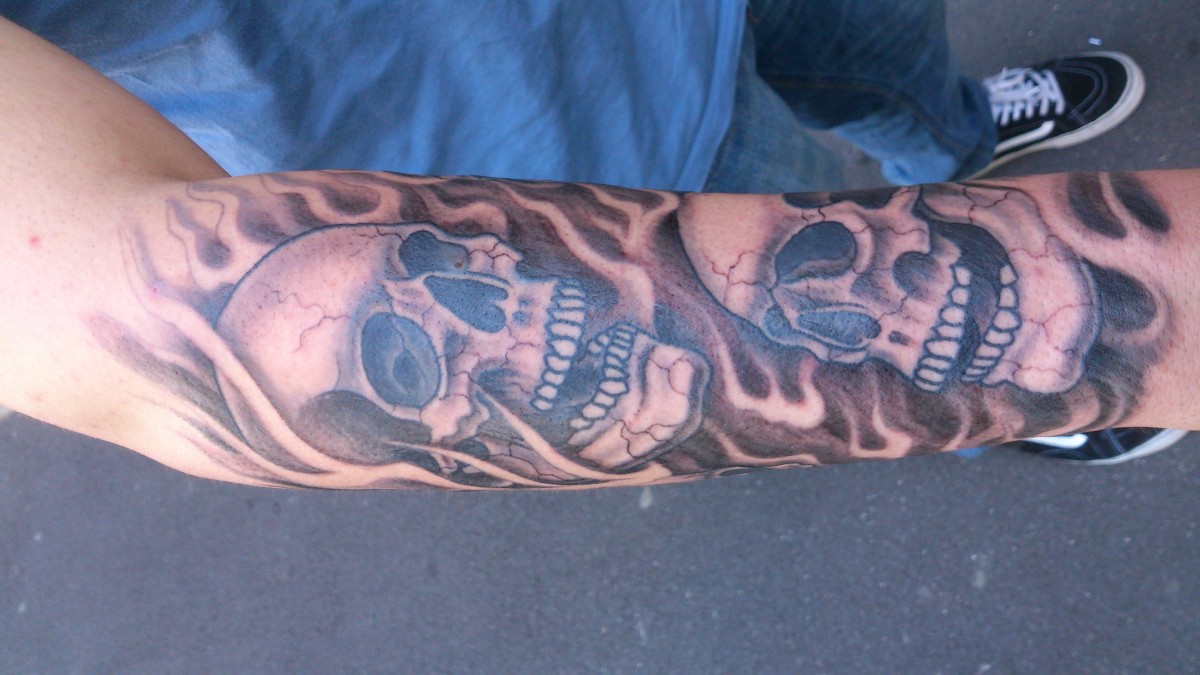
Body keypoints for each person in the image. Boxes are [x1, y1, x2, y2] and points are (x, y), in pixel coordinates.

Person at [0, 3, 1193, 490]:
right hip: (571, 139)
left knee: (902, 78)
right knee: (864, 308)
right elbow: (144, 318)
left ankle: (961, 143)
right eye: (420, 353)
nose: (493, 325)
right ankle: (1024, 393)